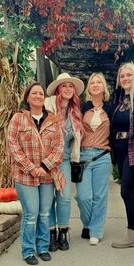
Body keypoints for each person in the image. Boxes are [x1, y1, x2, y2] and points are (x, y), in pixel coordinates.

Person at [7, 82, 64, 265]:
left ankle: (43, 247)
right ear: (28, 97)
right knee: (31, 213)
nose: (38, 96)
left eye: (41, 93)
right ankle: (28, 250)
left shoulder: (53, 120)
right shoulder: (18, 119)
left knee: (45, 213)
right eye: (34, 93)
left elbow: (59, 147)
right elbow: (13, 147)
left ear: (44, 98)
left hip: (47, 175)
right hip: (25, 176)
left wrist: (45, 167)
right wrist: (32, 168)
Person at [45, 73, 85, 252]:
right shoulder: (48, 105)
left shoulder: (74, 111)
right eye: (64, 85)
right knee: (48, 198)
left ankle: (63, 231)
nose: (68, 88)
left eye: (71, 86)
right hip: (46, 160)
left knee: (64, 197)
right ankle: (51, 233)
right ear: (58, 89)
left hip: (65, 159)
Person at [110, 62, 134, 249]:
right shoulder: (119, 99)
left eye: (128, 75)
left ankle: (131, 234)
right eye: (122, 76)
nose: (125, 78)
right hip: (120, 148)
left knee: (126, 192)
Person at [76, 72, 112, 246]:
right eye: (92, 83)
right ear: (89, 88)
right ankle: (88, 224)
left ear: (104, 86)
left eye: (99, 82)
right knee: (83, 197)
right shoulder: (83, 108)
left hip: (103, 156)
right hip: (84, 156)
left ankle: (95, 231)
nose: (96, 85)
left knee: (99, 196)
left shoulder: (111, 109)